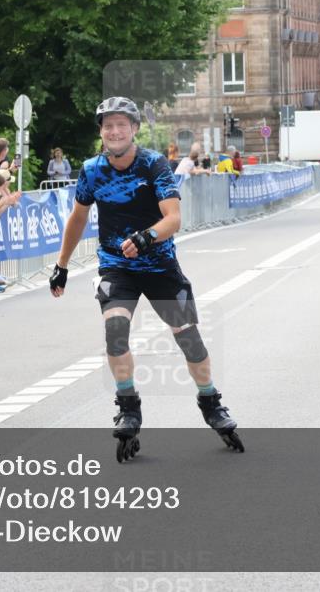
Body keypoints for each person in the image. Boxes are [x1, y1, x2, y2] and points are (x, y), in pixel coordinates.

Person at [48, 96, 244, 462]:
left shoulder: (154, 165)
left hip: (159, 265)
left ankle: (211, 401)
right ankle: (128, 406)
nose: (115, 131)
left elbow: (173, 218)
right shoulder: (91, 170)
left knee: (190, 340)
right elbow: (77, 218)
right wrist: (62, 265)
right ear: (101, 132)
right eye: (108, 125)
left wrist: (145, 237)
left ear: (134, 129)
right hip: (116, 266)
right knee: (115, 330)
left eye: (122, 124)